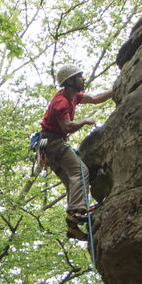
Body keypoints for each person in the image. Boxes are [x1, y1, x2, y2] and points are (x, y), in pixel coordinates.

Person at [40, 64, 113, 240]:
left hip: (47, 146)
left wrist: (114, 90)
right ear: (71, 81)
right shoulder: (61, 102)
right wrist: (85, 121)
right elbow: (67, 126)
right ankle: (77, 213)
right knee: (80, 171)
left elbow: (95, 99)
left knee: (70, 182)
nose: (83, 79)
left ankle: (72, 226)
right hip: (53, 143)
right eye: (80, 76)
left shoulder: (73, 96)